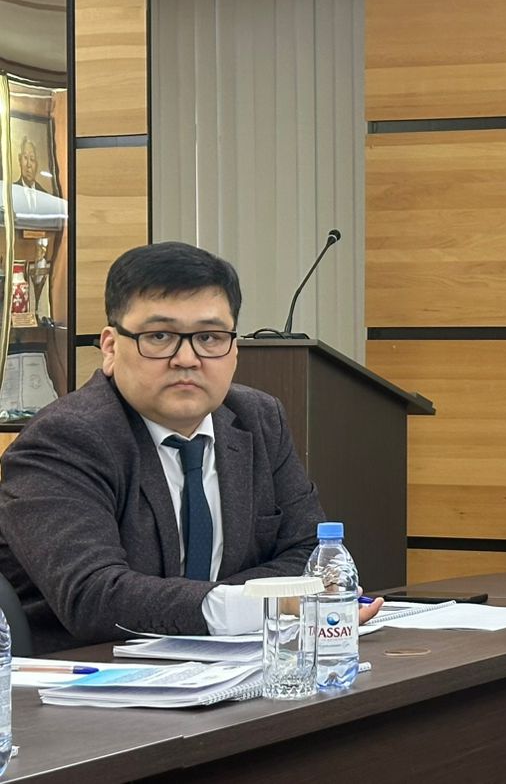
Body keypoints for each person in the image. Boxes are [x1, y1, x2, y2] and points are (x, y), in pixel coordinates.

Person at [0, 242, 381, 652]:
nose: (187, 358)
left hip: (235, 665)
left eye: (209, 337)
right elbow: (95, 596)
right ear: (110, 348)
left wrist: (223, 606)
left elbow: (311, 556)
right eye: (159, 336)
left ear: (234, 350)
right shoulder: (63, 439)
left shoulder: (257, 418)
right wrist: (261, 604)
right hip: (91, 675)